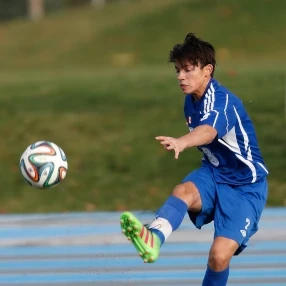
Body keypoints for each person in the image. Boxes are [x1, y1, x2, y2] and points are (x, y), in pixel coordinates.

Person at [120, 33, 268, 286]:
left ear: (207, 70)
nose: (180, 76)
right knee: (183, 192)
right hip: (213, 172)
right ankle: (153, 237)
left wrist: (182, 142)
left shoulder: (222, 101)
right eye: (178, 70)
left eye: (188, 70)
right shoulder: (190, 102)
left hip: (245, 187)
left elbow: (209, 131)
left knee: (218, 257)